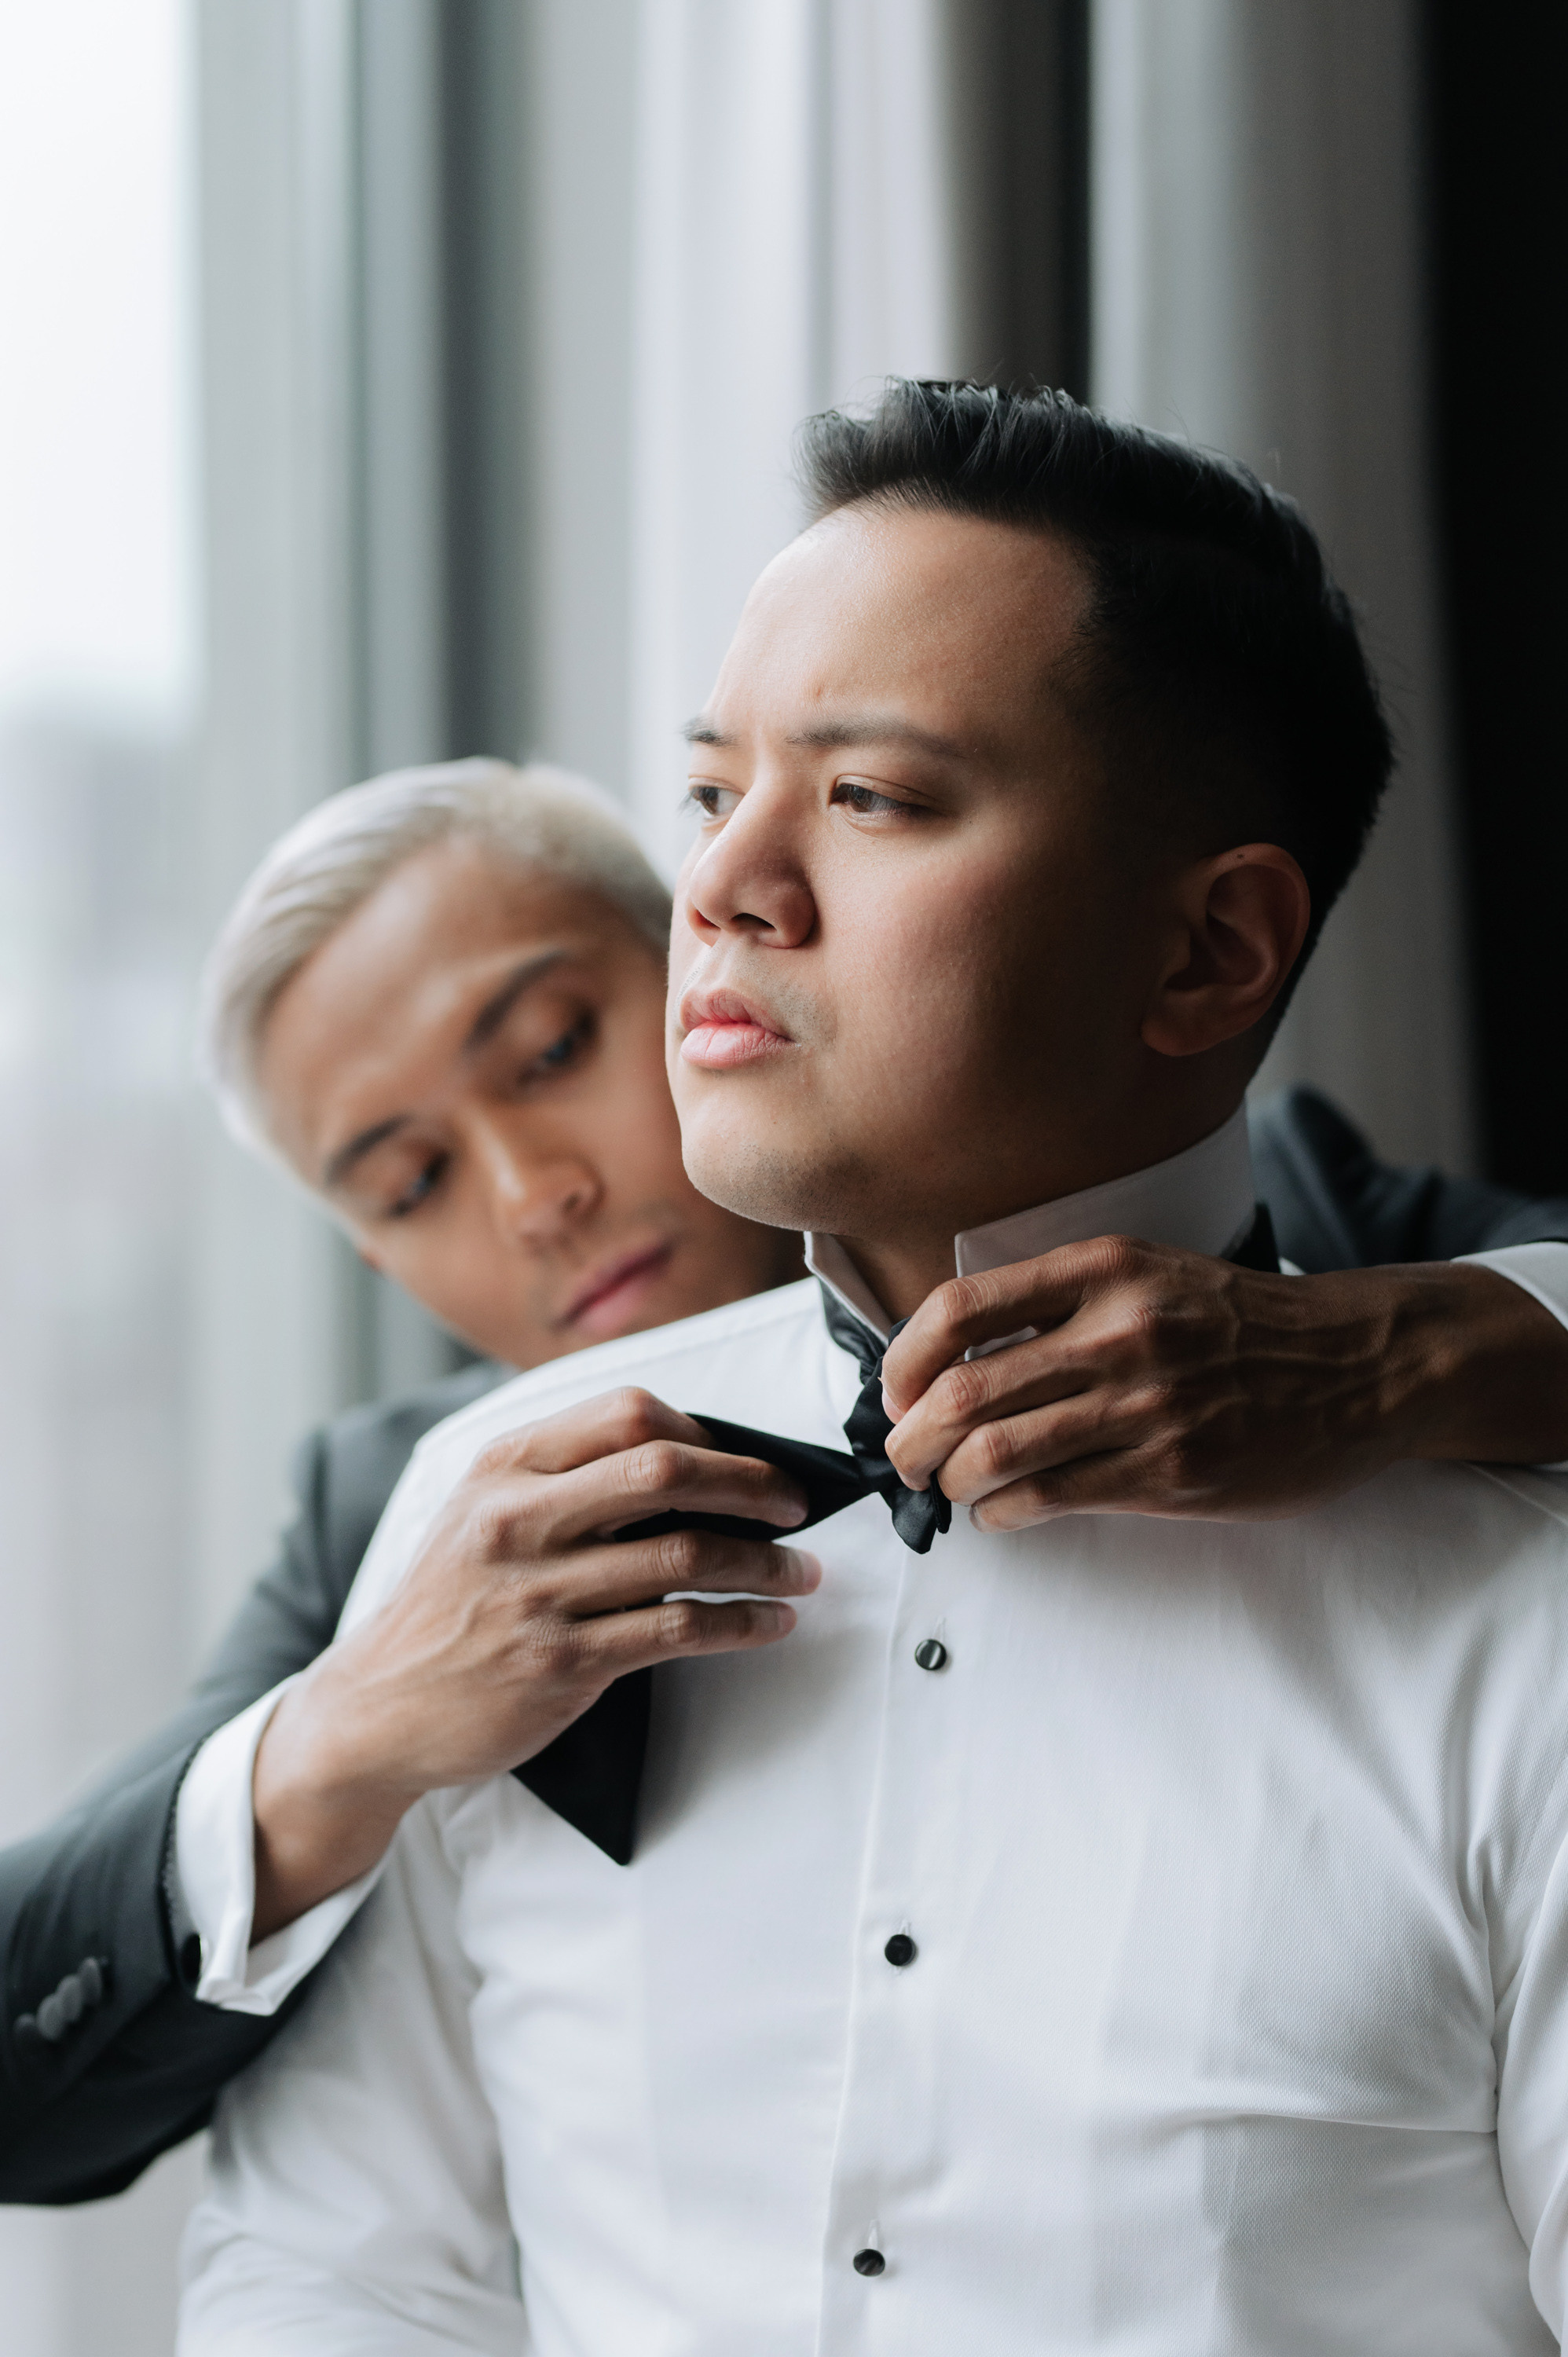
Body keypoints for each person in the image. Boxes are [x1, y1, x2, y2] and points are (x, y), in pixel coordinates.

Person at [178, 383, 1568, 2352]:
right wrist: (329, 1749)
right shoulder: (479, 1518)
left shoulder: (1513, 1600)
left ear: (1205, 954)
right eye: (708, 793)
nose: (722, 889)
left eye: (872, 798)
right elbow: (336, 2273)